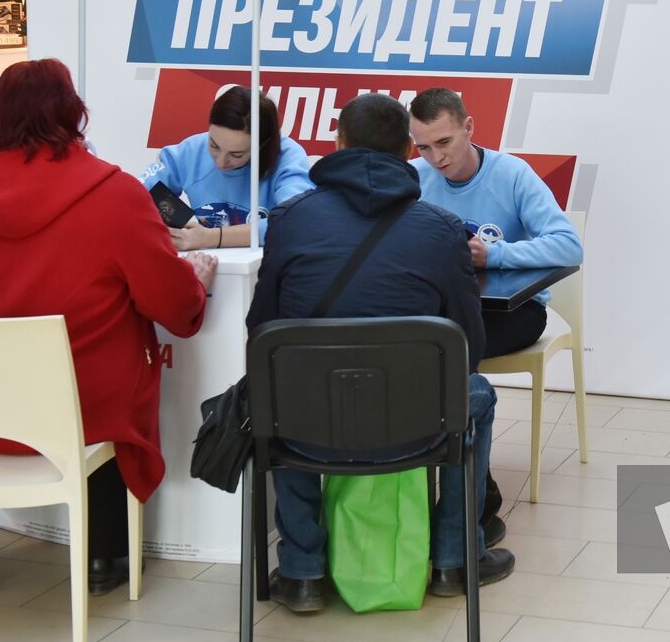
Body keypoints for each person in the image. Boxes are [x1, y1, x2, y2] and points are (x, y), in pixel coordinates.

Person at [0, 58, 215, 597]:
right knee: (102, 378)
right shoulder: (116, 193)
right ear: (75, 114)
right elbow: (172, 306)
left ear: (0, 118)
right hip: (81, 410)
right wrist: (195, 284)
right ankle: (104, 556)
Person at [247, 93, 511, 614]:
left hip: (307, 431)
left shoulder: (289, 221)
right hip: (416, 430)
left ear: (339, 143)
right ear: (404, 151)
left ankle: (302, 572)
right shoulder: (440, 229)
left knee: (278, 388)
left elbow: (261, 332)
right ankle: (456, 560)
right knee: (476, 395)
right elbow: (469, 347)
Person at [409, 88, 583, 360]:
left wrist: (494, 254)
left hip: (513, 311)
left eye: (444, 142)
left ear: (468, 128)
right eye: (423, 147)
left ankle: (469, 401)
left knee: (440, 349)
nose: (435, 157)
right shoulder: (412, 176)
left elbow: (569, 246)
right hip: (439, 304)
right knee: (398, 338)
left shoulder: (513, 173)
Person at [141, 86, 314, 250]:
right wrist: (180, 221)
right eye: (214, 145)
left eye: (236, 154)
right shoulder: (190, 151)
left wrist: (210, 238)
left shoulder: (288, 157)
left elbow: (295, 222)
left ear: (262, 146)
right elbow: (137, 195)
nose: (221, 162)